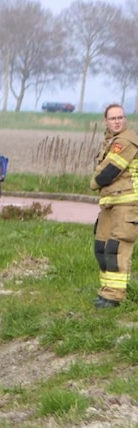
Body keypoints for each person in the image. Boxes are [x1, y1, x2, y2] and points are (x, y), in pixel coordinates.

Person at [89, 104, 138, 308]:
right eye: (113, 118)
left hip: (127, 204)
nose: (117, 121)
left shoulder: (126, 141)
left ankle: (115, 297)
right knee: (101, 247)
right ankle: (106, 292)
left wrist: (92, 182)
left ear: (125, 119)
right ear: (106, 121)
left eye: (120, 117)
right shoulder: (111, 141)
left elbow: (107, 172)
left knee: (117, 249)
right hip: (110, 204)